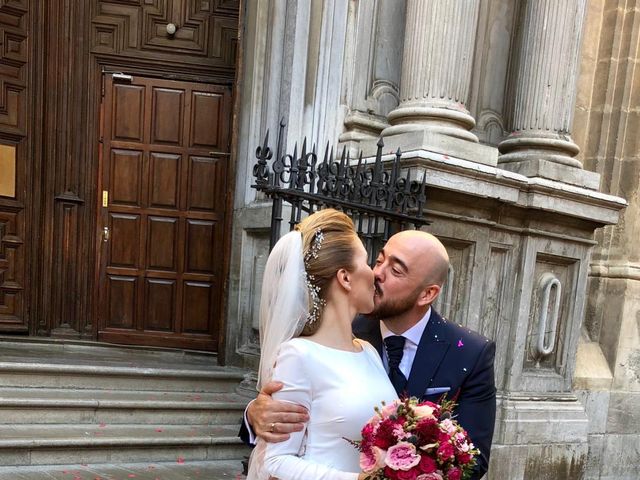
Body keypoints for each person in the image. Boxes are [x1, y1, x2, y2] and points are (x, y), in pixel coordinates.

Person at [242, 229, 497, 479]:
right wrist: (254, 415)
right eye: (377, 260)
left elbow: (474, 459)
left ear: (427, 293)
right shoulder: (334, 336)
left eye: (396, 270)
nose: (377, 274)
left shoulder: (469, 352)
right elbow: (283, 441)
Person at [246, 208, 397, 480]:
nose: (374, 273)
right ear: (345, 277)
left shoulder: (369, 352)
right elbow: (276, 462)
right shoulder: (298, 355)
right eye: (365, 261)